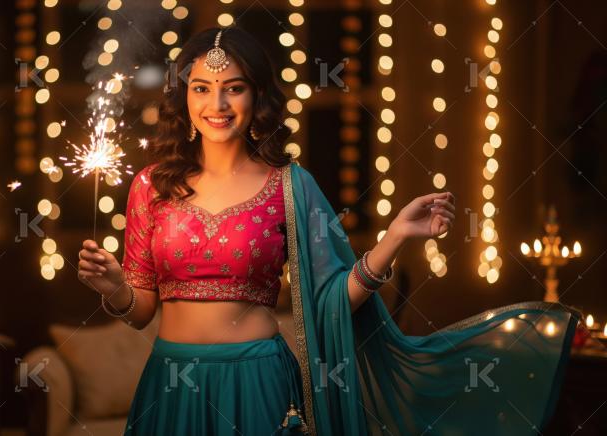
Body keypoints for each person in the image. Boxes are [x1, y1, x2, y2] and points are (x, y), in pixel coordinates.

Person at [77, 27, 580, 435]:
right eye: (202, 88)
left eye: (234, 87)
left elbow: (329, 303)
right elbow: (141, 310)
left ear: (257, 96)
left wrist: (395, 236)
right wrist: (115, 288)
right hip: (170, 385)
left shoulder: (290, 187)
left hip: (259, 382)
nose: (218, 104)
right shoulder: (152, 186)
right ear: (183, 97)